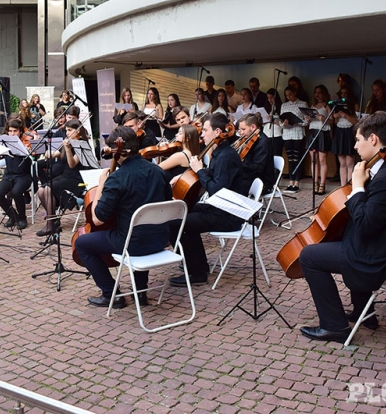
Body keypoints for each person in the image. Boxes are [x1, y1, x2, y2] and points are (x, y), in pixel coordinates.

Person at [299, 112, 386, 342]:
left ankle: (334, 326)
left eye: (358, 140)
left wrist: (358, 187)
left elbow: (367, 226)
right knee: (349, 236)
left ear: (374, 140)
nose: (355, 146)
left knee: (309, 255)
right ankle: (363, 313)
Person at [74, 126, 172, 307]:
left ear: (117, 151)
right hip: (160, 239)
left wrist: (101, 185)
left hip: (133, 243)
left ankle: (112, 294)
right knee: (140, 227)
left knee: (81, 244)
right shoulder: (158, 171)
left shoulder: (117, 179)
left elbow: (97, 219)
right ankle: (140, 293)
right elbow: (166, 202)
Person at [167, 113, 247, 286]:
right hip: (218, 208)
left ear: (217, 131)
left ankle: (196, 272)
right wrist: (186, 174)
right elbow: (214, 176)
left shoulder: (226, 156)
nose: (201, 134)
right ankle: (198, 265)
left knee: (176, 223)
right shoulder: (219, 152)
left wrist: (200, 170)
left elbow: (217, 190)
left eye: (205, 130)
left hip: (228, 214)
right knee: (183, 212)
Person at [36, 119, 96, 236]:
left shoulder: (82, 144)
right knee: (41, 190)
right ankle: (53, 220)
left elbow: (72, 164)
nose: (67, 133)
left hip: (77, 179)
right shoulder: (68, 142)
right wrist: (50, 153)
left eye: (70, 130)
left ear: (78, 132)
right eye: (66, 130)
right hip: (66, 176)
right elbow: (57, 154)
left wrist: (68, 149)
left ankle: (50, 225)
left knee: (48, 189)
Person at [0, 118, 32, 231]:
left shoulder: (25, 143)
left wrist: (27, 151)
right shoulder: (5, 143)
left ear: (20, 131)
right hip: (9, 175)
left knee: (16, 192)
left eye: (15, 131)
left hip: (23, 176)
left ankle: (23, 218)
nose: (12, 133)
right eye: (10, 131)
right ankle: (13, 215)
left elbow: (33, 157)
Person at [236, 114, 275, 194]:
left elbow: (257, 169)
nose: (241, 133)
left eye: (243, 129)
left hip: (262, 182)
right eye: (240, 130)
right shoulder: (248, 139)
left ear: (253, 127)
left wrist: (240, 161)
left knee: (230, 184)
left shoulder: (263, 142)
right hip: (250, 177)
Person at [307, 85, 333, 195]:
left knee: (322, 160)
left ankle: (322, 184)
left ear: (324, 94)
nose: (317, 95)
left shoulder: (327, 105)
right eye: (316, 92)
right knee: (314, 160)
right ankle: (315, 183)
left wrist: (323, 118)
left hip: (323, 132)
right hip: (312, 132)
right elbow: (308, 122)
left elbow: (332, 121)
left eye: (320, 92)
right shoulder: (312, 106)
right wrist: (308, 119)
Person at [281, 85, 307, 192]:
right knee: (290, 159)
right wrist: (284, 123)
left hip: (297, 134)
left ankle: (296, 183)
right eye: (286, 95)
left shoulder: (302, 104)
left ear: (295, 92)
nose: (288, 97)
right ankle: (290, 183)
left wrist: (297, 121)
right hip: (287, 134)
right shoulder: (284, 105)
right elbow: (280, 122)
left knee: (297, 159)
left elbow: (306, 122)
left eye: (290, 94)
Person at [331, 86, 359, 187]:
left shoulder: (354, 105)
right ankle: (343, 186)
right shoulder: (337, 105)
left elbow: (357, 122)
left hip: (349, 132)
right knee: (342, 163)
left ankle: (350, 186)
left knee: (350, 162)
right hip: (339, 132)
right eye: (342, 93)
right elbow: (335, 123)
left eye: (345, 93)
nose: (343, 95)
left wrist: (346, 116)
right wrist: (336, 117)